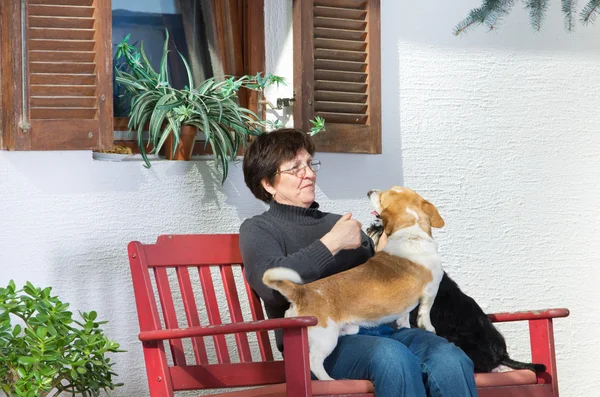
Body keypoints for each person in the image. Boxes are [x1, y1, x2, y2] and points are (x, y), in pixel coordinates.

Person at [239, 128, 477, 397]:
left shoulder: (339, 222)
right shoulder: (259, 229)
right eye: (295, 168)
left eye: (309, 163)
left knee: (450, 358)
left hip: (381, 329)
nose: (309, 173)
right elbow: (270, 286)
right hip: (319, 342)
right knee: (392, 357)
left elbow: (378, 278)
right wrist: (331, 244)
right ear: (268, 184)